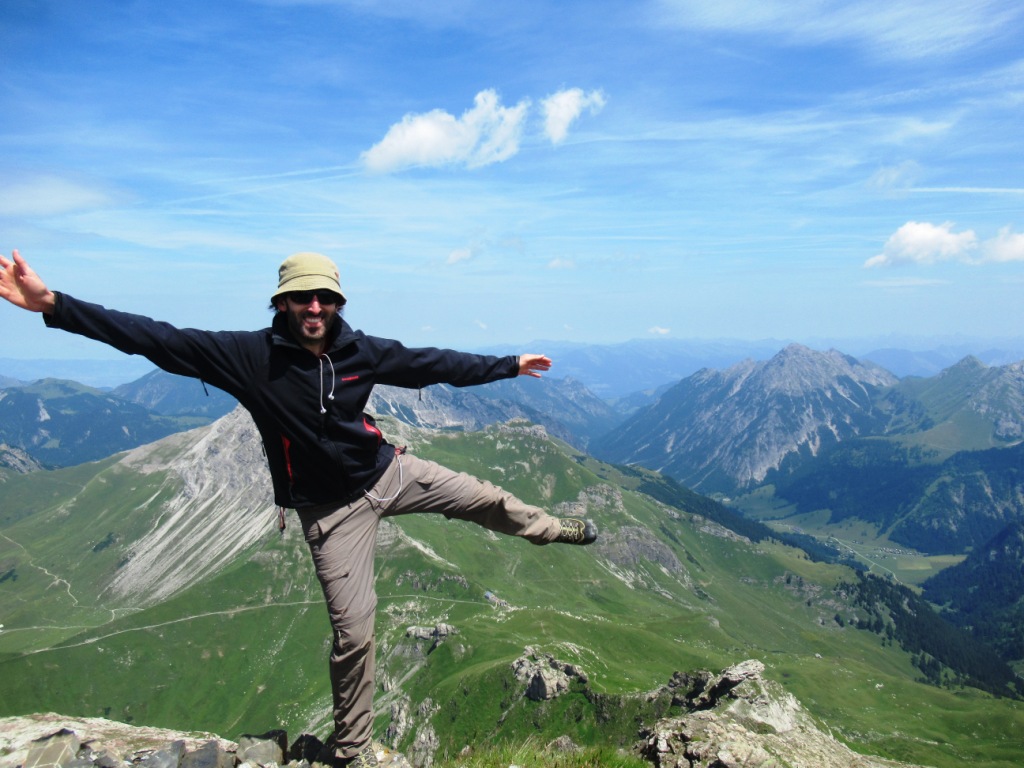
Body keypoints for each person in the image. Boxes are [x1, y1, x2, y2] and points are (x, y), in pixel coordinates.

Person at [0, 249, 598, 768]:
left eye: (325, 299)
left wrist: (508, 366)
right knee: (354, 632)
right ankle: (353, 748)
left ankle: (550, 530)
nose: (315, 309)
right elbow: (154, 336)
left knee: (487, 499)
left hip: (390, 472)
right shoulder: (248, 358)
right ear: (281, 303)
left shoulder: (361, 349)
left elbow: (432, 363)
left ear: (337, 303)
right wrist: (52, 303)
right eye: (302, 299)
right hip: (331, 514)